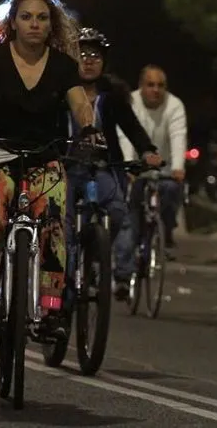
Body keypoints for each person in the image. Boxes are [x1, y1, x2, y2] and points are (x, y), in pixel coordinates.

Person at [0, 0, 98, 342]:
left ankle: (51, 310)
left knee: (54, 227)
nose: (34, 24)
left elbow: (80, 104)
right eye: (26, 17)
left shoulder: (63, 66)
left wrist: (89, 127)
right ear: (13, 22)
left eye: (42, 18)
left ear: (51, 25)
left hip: (44, 159)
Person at [66, 28, 161, 301]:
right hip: (65, 168)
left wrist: (147, 150)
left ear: (104, 62)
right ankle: (65, 278)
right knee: (63, 223)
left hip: (101, 167)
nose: (88, 61)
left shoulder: (113, 95)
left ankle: (96, 258)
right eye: (82, 54)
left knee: (117, 210)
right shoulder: (60, 90)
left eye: (95, 55)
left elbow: (131, 126)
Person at [117, 65, 188, 255]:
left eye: (160, 85)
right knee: (131, 207)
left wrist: (178, 167)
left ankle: (166, 230)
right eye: (150, 85)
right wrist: (128, 165)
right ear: (141, 86)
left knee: (172, 190)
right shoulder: (130, 102)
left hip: (164, 168)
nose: (156, 90)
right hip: (136, 168)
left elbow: (178, 135)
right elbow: (125, 136)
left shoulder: (174, 105)